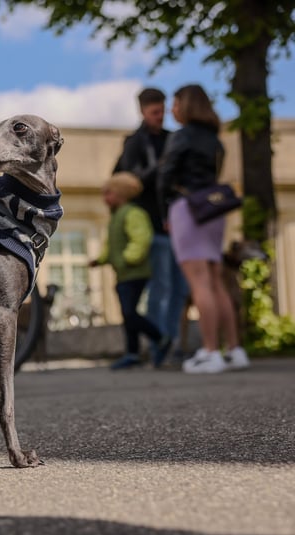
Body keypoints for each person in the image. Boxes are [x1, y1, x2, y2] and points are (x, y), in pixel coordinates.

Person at [157, 84, 249, 374]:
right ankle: (234, 350)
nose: (172, 109)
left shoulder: (181, 136)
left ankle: (211, 353)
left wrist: (164, 214)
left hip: (188, 209)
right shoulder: (215, 140)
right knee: (215, 281)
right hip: (213, 211)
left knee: (199, 283)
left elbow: (165, 176)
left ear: (186, 105)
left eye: (176, 103)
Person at [114, 88, 188, 364]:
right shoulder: (133, 143)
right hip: (152, 226)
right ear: (143, 111)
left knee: (180, 289)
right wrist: (159, 166)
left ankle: (172, 343)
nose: (160, 117)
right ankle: (160, 347)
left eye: (162, 111)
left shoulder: (173, 139)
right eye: (155, 112)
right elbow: (128, 182)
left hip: (177, 224)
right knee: (162, 287)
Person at [90, 172, 172, 370]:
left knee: (129, 312)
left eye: (108, 193)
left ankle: (160, 337)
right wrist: (101, 259)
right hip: (123, 274)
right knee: (127, 315)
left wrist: (128, 258)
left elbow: (141, 239)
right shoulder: (116, 216)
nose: (105, 199)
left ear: (120, 193)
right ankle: (132, 353)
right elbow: (112, 246)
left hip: (135, 273)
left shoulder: (133, 213)